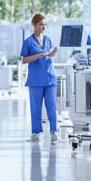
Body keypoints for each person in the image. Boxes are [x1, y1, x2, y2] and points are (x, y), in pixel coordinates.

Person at [20, 13, 58, 143]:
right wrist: (39, 55)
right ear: (34, 25)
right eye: (41, 24)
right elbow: (24, 60)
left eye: (44, 25)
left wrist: (50, 54)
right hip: (36, 80)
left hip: (50, 78)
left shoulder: (47, 40)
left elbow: (48, 54)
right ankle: (36, 133)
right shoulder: (28, 42)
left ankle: (54, 131)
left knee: (51, 105)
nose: (43, 27)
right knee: (36, 107)